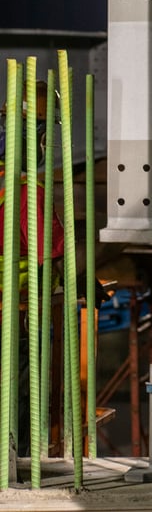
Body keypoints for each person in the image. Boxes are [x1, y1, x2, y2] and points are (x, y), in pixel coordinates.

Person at [0, 80, 65, 457]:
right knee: (21, 395)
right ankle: (18, 465)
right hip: (18, 313)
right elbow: (46, 255)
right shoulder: (27, 192)